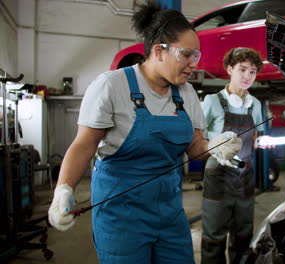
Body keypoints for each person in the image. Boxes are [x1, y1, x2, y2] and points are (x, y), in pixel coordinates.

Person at [47, 3, 242, 263]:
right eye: (186, 55)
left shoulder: (187, 93)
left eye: (196, 56)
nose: (193, 64)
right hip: (120, 216)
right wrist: (63, 190)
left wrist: (215, 145)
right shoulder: (111, 86)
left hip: (169, 212)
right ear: (159, 50)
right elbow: (84, 145)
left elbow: (194, 146)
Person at [201, 47, 275, 264]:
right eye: (242, 69)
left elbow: (254, 140)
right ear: (230, 69)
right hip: (218, 175)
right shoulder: (212, 101)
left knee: (243, 235)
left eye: (252, 72)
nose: (247, 76)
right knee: (214, 236)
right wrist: (214, 147)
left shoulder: (256, 105)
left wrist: (262, 142)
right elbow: (198, 142)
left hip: (245, 174)